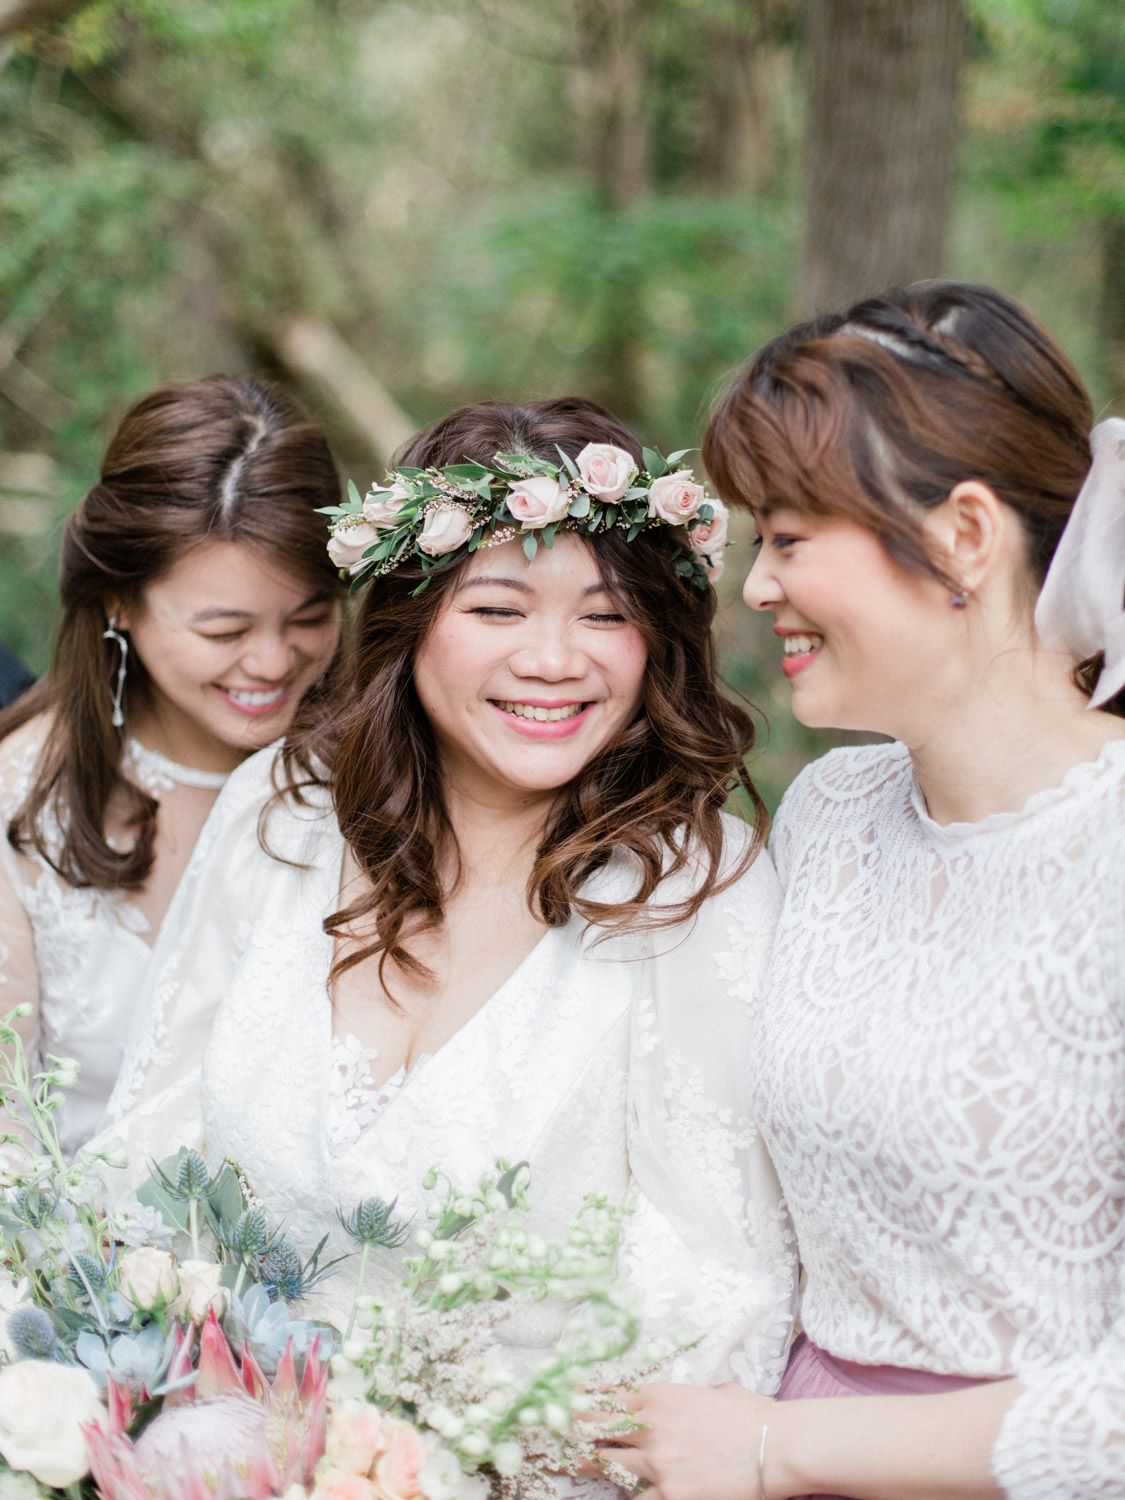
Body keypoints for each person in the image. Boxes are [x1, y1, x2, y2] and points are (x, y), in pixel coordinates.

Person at [101, 398, 796, 1399]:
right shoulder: (282, 812)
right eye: (498, 609)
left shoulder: (697, 887)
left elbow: (721, 1295)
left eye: (606, 615)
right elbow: (146, 1149)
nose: (555, 660)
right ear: (412, 621)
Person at [605, 281, 1125, 1500]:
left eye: (788, 539)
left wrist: (781, 1449)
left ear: (963, 536)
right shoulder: (832, 820)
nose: (758, 588)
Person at [0, 375, 344, 1156]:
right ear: (119, 600)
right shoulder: (20, 798)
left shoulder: (379, 775)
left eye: (311, 617)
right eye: (224, 630)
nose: (271, 661)